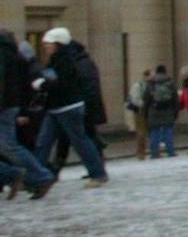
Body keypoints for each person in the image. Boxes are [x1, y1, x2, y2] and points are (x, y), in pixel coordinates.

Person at [31, 28, 109, 188]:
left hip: (68, 107)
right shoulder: (57, 59)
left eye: (49, 43)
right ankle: (37, 176)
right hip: (56, 107)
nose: (46, 46)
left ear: (58, 43)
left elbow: (62, 83)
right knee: (43, 143)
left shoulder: (65, 60)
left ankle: (98, 173)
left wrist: (42, 84)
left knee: (80, 142)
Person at [1, 29, 56, 199]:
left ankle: (38, 176)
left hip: (3, 106)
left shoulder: (4, 54)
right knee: (8, 146)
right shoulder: (10, 53)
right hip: (8, 105)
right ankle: (16, 176)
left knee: (9, 146)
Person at [144, 66, 179, 158]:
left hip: (154, 111)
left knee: (155, 132)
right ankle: (170, 151)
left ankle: (154, 153)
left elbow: (146, 99)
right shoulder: (170, 83)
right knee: (168, 131)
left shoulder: (151, 83)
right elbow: (175, 99)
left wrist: (145, 113)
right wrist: (175, 112)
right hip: (168, 110)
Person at [129, 69, 152, 161]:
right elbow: (135, 99)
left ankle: (143, 151)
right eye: (151, 75)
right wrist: (143, 105)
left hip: (147, 111)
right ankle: (140, 153)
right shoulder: (138, 85)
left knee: (145, 132)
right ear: (146, 76)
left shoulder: (150, 85)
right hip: (140, 111)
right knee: (141, 132)